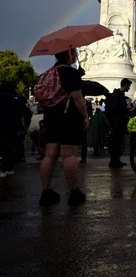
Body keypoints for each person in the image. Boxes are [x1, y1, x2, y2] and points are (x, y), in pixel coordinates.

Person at [38, 48, 90, 206]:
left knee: (50, 155)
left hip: (51, 117)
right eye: (74, 53)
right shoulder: (71, 73)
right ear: (68, 54)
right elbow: (77, 98)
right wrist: (85, 116)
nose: (75, 55)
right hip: (69, 118)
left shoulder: (48, 73)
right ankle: (74, 192)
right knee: (69, 155)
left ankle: (46, 193)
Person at [0, 82, 29, 178]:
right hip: (13, 127)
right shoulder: (16, 98)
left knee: (3, 148)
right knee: (10, 147)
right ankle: (9, 168)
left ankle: (3, 168)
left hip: (2, 126)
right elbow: (27, 111)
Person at [105, 78, 131, 168]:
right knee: (116, 142)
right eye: (129, 86)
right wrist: (126, 108)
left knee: (118, 143)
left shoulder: (120, 95)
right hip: (117, 123)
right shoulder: (117, 96)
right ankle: (113, 161)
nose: (129, 88)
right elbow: (115, 110)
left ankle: (116, 160)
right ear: (125, 85)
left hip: (119, 122)